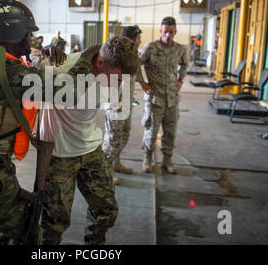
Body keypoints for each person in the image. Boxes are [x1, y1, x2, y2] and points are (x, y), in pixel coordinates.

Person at [0, 0, 99, 245]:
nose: (29, 40)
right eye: (26, 34)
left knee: (16, 226)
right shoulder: (6, 71)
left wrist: (46, 53)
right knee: (28, 235)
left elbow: (23, 73)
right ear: (9, 33)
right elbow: (67, 92)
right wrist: (86, 57)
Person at [39, 36, 139, 245]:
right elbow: (29, 67)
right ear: (100, 62)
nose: (120, 85)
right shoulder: (63, 65)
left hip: (91, 149)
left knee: (107, 210)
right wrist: (44, 53)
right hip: (60, 154)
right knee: (55, 222)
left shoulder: (115, 77)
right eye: (118, 79)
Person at [137, 17, 188, 174]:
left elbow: (185, 65)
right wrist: (143, 84)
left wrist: (181, 79)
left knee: (170, 132)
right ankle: (147, 159)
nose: (168, 35)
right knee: (151, 132)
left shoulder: (179, 49)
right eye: (165, 32)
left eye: (171, 32)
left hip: (172, 100)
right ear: (160, 31)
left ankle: (167, 160)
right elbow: (135, 64)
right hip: (155, 99)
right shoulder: (150, 48)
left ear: (175, 32)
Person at [102, 25, 142, 185]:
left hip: (127, 104)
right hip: (115, 106)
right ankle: (105, 170)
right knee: (113, 140)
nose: (140, 42)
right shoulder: (115, 56)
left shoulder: (133, 56)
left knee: (124, 136)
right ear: (130, 41)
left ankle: (115, 163)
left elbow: (136, 75)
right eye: (138, 39)